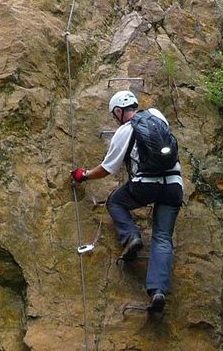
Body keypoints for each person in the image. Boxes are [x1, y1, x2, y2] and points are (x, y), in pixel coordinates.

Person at [70, 90, 183, 313]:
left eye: (115, 115)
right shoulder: (157, 116)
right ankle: (158, 291)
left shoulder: (124, 131)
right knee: (162, 237)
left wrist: (83, 175)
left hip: (145, 185)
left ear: (120, 111)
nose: (115, 119)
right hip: (173, 185)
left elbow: (107, 169)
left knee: (115, 202)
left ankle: (131, 237)